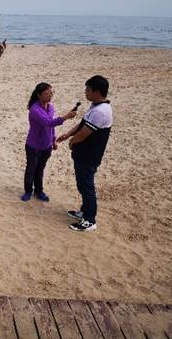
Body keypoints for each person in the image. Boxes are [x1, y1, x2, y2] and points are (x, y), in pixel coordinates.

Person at [57, 75, 112, 232]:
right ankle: (85, 211)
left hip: (89, 155)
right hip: (84, 154)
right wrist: (68, 134)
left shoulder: (100, 111)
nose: (85, 92)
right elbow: (82, 124)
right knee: (82, 184)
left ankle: (90, 220)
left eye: (88, 90)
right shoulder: (95, 106)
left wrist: (72, 142)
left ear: (97, 92)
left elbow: (84, 133)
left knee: (87, 186)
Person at [21, 83, 76, 202]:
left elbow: (51, 127)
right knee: (31, 169)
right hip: (34, 146)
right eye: (46, 93)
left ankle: (39, 191)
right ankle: (28, 191)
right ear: (38, 95)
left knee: (40, 169)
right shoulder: (35, 110)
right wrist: (66, 117)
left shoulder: (50, 107)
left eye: (51, 92)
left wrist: (53, 140)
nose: (50, 95)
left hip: (47, 145)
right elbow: (48, 123)